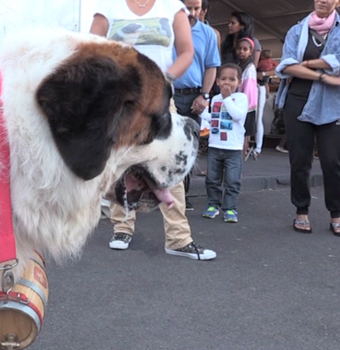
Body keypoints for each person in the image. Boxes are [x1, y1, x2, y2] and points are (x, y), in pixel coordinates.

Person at [90, 0, 216, 260]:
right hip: (120, 100)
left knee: (171, 161)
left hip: (158, 99)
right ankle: (122, 228)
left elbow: (186, 52)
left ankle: (178, 238)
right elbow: (91, 50)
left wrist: (163, 80)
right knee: (120, 162)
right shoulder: (109, 6)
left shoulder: (172, 7)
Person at [275, 0, 340, 237]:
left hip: (333, 103)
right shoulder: (297, 29)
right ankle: (301, 211)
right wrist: (323, 76)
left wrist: (306, 65)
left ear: (339, 2)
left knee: (333, 161)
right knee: (300, 160)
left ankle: (336, 214)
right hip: (298, 100)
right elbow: (286, 65)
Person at [172, 0, 221, 210]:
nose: (192, 13)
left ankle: (183, 195)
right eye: (188, 8)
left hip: (193, 96)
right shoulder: (166, 27)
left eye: (196, 9)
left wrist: (204, 96)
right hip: (166, 93)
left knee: (187, 148)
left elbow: (212, 66)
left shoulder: (208, 33)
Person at [200, 63, 248, 223]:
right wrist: (201, 113)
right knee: (212, 179)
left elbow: (237, 116)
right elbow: (213, 118)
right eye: (223, 79)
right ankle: (213, 205)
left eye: (232, 79)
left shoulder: (241, 98)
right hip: (215, 146)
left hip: (233, 149)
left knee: (232, 181)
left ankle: (230, 209)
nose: (227, 82)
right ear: (218, 82)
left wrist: (227, 98)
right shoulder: (215, 99)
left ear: (239, 82)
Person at [235, 37, 259, 158]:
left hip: (246, 106)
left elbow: (248, 89)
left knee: (244, 135)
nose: (241, 51)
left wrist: (243, 105)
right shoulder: (240, 65)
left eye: (245, 49)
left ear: (250, 51)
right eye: (239, 49)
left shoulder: (249, 68)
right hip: (241, 104)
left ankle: (240, 158)